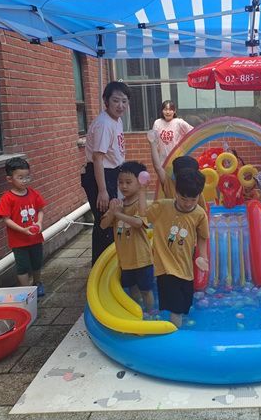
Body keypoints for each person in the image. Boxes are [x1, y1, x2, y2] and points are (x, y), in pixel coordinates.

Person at [138, 168, 210, 328]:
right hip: (166, 268)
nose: (188, 204)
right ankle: (175, 337)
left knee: (185, 305)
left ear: (199, 195)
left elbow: (202, 236)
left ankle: (176, 328)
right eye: (184, 199)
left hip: (185, 269)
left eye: (193, 199)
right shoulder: (163, 207)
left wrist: (202, 256)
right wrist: (142, 190)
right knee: (176, 309)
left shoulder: (199, 214)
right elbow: (143, 213)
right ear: (176, 192)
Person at [81, 81, 130, 266]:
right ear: (106, 101)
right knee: (105, 222)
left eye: (124, 101)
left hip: (112, 174)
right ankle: (101, 269)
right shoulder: (104, 124)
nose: (120, 105)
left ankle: (110, 265)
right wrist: (102, 190)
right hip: (101, 175)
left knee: (112, 220)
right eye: (116, 101)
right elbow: (98, 158)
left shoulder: (117, 120)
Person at [100, 161, 155, 312]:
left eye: (128, 182)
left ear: (139, 184)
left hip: (142, 258)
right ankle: (136, 310)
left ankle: (150, 312)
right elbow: (103, 225)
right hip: (125, 259)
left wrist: (118, 214)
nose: (123, 186)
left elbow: (137, 222)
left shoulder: (141, 204)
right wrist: (113, 213)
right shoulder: (118, 204)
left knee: (146, 290)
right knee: (132, 287)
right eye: (120, 182)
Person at [0, 158, 47, 296]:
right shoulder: (7, 198)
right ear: (9, 179)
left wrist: (39, 223)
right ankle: (26, 291)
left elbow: (40, 210)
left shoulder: (33, 193)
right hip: (18, 241)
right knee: (23, 266)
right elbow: (6, 219)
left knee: (37, 263)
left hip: (35, 238)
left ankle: (37, 283)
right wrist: (23, 230)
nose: (25, 180)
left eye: (27, 177)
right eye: (20, 177)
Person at [148, 134, 208, 211]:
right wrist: (153, 144)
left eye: (193, 200)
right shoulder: (170, 184)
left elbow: (203, 212)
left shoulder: (195, 190)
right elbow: (158, 168)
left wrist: (153, 144)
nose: (188, 204)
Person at [151, 100, 194, 166]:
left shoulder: (179, 123)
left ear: (174, 111)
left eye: (170, 110)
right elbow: (154, 142)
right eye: (165, 109)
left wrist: (185, 145)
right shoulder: (157, 123)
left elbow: (193, 133)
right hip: (163, 161)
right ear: (162, 111)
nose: (168, 112)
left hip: (178, 161)